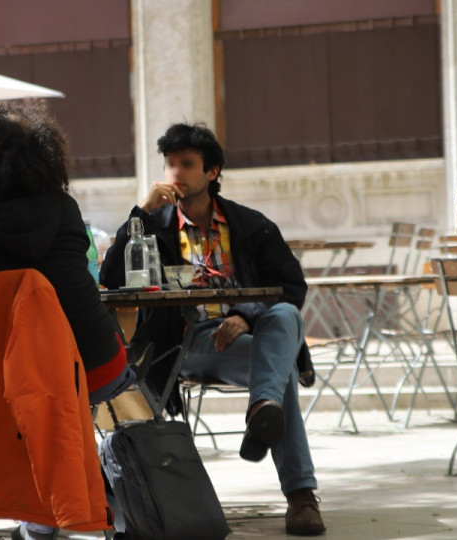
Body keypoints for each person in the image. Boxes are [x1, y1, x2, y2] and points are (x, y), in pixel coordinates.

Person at [0, 99, 135, 540]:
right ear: (46, 160)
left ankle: (40, 518)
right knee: (63, 404)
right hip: (90, 368)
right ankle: (74, 504)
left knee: (25, 411)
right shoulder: (66, 212)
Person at [100, 123, 326, 536]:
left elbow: (292, 287)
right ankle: (301, 496)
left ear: (212, 172)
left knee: (286, 319)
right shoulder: (156, 223)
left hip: (246, 335)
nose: (175, 174)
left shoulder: (250, 225)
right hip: (188, 341)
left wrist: (246, 314)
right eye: (170, 164)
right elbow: (111, 277)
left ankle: (263, 410)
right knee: (281, 371)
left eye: (186, 164)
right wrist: (141, 213)